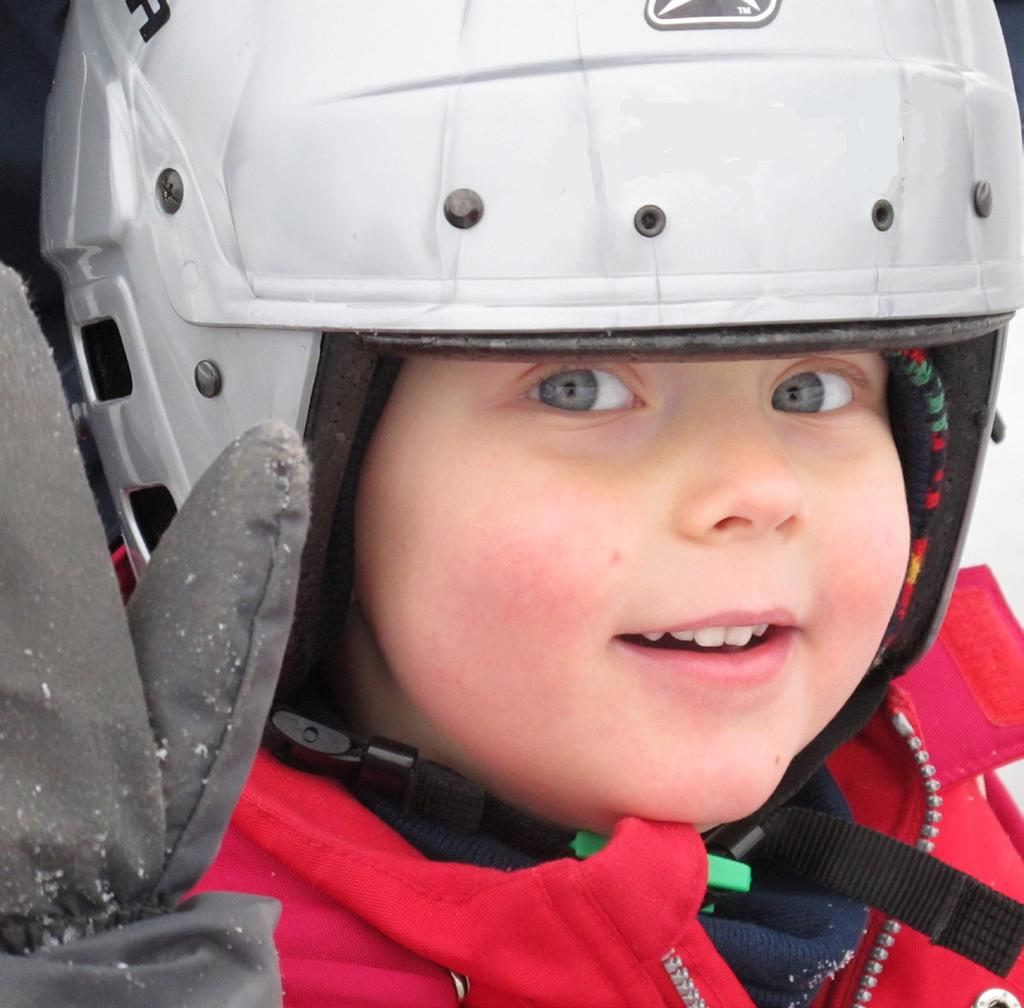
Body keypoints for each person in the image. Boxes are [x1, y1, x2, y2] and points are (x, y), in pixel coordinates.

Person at [23, 0, 1024, 1005]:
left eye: (811, 389)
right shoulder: (161, 967)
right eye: (579, 387)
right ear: (300, 478)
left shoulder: (925, 812)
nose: (756, 491)